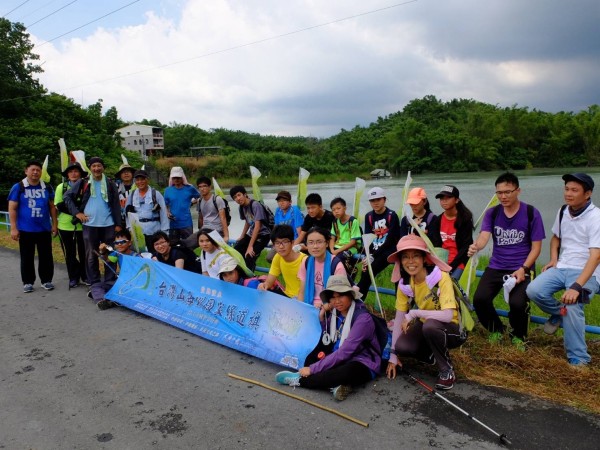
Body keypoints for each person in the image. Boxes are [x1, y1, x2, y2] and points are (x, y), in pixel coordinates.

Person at [527, 173, 600, 367]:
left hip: (588, 271)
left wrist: (577, 287)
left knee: (574, 305)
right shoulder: (563, 211)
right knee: (534, 290)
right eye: (567, 189)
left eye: (574, 190)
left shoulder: (596, 217)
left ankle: (579, 358)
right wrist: (553, 259)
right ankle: (560, 314)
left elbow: (596, 256)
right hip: (562, 266)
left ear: (588, 194)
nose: (568, 193)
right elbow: (555, 238)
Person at [468, 172, 545, 350]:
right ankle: (496, 329)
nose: (503, 196)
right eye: (499, 193)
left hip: (521, 267)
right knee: (480, 299)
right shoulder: (492, 213)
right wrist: (476, 247)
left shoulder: (531, 213)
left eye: (508, 192)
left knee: (517, 303)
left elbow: (536, 248)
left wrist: (524, 268)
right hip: (497, 266)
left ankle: (518, 335)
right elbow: (483, 237)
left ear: (518, 190)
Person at [275, 275, 382, 401]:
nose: (337, 301)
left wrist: (311, 369)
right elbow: (330, 336)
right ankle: (338, 385)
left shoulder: (362, 319)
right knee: (311, 358)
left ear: (350, 295)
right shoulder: (337, 312)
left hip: (362, 361)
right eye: (333, 297)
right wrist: (322, 318)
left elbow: (345, 352)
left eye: (341, 295)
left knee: (344, 372)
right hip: (339, 353)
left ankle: (299, 381)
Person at [385, 235, 464, 390]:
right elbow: (399, 318)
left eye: (415, 256)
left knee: (430, 326)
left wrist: (414, 313)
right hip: (428, 325)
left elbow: (448, 315)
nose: (411, 261)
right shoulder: (405, 285)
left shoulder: (440, 277)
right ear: (400, 261)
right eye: (405, 257)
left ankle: (446, 371)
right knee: (402, 346)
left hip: (453, 328)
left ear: (424, 259)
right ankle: (433, 354)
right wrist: (393, 356)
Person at [64, 156, 122, 306]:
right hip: (90, 224)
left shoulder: (110, 183)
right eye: (94, 166)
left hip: (108, 224)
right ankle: (94, 281)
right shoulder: (83, 182)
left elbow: (116, 203)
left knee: (110, 253)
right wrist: (77, 213)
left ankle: (109, 280)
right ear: (90, 168)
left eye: (99, 166)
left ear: (103, 167)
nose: (97, 168)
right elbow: (67, 197)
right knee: (91, 255)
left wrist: (118, 224)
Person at [8, 160, 58, 293]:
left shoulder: (47, 187)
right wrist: (13, 228)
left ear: (41, 172)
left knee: (46, 256)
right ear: (26, 171)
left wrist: (54, 224)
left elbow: (52, 207)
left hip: (43, 229)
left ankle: (46, 280)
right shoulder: (19, 187)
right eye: (32, 170)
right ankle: (28, 282)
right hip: (25, 229)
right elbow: (12, 208)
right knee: (26, 256)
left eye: (38, 170)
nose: (35, 172)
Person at [356, 187, 401, 298]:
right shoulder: (369, 216)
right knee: (365, 273)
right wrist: (368, 255)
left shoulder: (392, 215)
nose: (375, 203)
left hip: (387, 251)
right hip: (374, 250)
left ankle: (357, 299)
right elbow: (368, 238)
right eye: (372, 200)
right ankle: (359, 301)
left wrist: (374, 255)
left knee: (370, 271)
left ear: (384, 200)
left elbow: (391, 240)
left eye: (378, 200)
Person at [428, 185, 474, 279]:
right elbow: (436, 244)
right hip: (442, 262)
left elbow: (465, 247)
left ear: (457, 200)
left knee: (450, 285)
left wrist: (452, 266)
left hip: (459, 262)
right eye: (441, 198)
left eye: (448, 197)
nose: (444, 201)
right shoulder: (438, 220)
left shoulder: (464, 219)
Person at [54, 161, 88, 288]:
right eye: (71, 171)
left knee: (84, 252)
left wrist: (77, 210)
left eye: (76, 171)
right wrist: (77, 213)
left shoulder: (86, 186)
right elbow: (59, 205)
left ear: (80, 173)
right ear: (67, 174)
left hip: (83, 225)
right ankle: (73, 277)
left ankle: (85, 276)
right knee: (70, 253)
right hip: (65, 226)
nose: (73, 174)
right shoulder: (61, 187)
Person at [297, 227, 347, 307]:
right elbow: (302, 291)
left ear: (327, 243)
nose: (315, 246)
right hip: (308, 306)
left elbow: (339, 298)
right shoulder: (306, 261)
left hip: (330, 310)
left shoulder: (336, 265)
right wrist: (300, 309)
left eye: (319, 242)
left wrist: (323, 307)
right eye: (311, 242)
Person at [230, 185, 271, 271]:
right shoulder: (241, 207)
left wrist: (250, 246)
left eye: (239, 195)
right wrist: (242, 236)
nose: (237, 198)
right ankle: (240, 273)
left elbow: (257, 225)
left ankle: (249, 278)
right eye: (234, 197)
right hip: (252, 233)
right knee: (237, 250)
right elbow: (247, 222)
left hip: (264, 234)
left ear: (245, 194)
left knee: (250, 255)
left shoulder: (255, 205)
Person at [96, 228, 140, 310]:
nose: (119, 244)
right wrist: (103, 251)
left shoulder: (135, 256)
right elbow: (107, 260)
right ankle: (104, 298)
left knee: (123, 290)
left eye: (122, 242)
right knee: (97, 285)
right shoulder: (117, 254)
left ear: (129, 243)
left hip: (133, 284)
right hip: (121, 281)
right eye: (116, 243)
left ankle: (111, 299)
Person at [258, 225, 307, 298]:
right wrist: (264, 285)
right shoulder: (278, 257)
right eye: (277, 243)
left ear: (292, 242)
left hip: (303, 299)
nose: (281, 246)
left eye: (285, 242)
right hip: (287, 296)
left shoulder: (304, 260)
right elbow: (269, 282)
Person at [124, 170, 169, 250]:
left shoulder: (156, 194)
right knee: (141, 254)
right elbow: (127, 213)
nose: (140, 182)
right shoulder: (132, 195)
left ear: (147, 179)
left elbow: (163, 214)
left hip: (154, 230)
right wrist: (130, 228)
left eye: (142, 179)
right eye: (137, 180)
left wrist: (164, 232)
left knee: (155, 252)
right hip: (138, 232)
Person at [265, 190, 303, 263]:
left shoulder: (294, 210)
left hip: (292, 241)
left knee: (288, 259)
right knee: (269, 258)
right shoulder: (278, 211)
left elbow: (299, 231)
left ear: (290, 202)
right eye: (279, 201)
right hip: (280, 242)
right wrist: (274, 242)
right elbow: (276, 228)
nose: (281, 203)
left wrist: (295, 244)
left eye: (284, 200)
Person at [163, 166, 200, 240]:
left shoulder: (190, 188)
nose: (176, 179)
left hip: (186, 223)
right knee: (174, 245)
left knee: (188, 244)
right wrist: (167, 212)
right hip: (173, 223)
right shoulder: (167, 190)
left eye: (178, 177)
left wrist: (193, 202)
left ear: (182, 177)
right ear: (171, 178)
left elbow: (200, 197)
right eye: (174, 178)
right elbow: (165, 204)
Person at [329, 197, 362, 275]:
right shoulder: (335, 222)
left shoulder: (353, 221)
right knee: (326, 258)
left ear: (345, 208)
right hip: (338, 247)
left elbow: (353, 242)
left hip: (351, 248)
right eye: (333, 210)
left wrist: (336, 251)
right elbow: (332, 238)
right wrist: (332, 250)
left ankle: (352, 271)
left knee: (340, 258)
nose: (336, 211)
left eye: (338, 208)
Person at [196, 176, 229, 242]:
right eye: (200, 187)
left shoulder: (217, 199)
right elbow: (201, 218)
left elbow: (223, 218)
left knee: (209, 243)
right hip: (204, 230)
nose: (202, 189)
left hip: (217, 230)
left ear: (209, 187)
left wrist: (226, 236)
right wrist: (199, 233)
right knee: (187, 243)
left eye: (204, 186)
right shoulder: (199, 201)